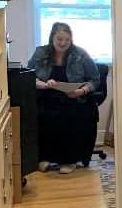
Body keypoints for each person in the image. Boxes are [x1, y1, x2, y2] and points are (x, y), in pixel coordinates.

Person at [28, 22, 100, 174]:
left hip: (73, 97)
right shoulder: (40, 53)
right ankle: (45, 157)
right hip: (47, 95)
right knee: (43, 115)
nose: (63, 43)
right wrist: (45, 84)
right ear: (52, 38)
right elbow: (29, 77)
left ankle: (70, 160)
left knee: (69, 115)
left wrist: (81, 91)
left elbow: (95, 80)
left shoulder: (80, 54)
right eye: (59, 39)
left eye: (67, 40)